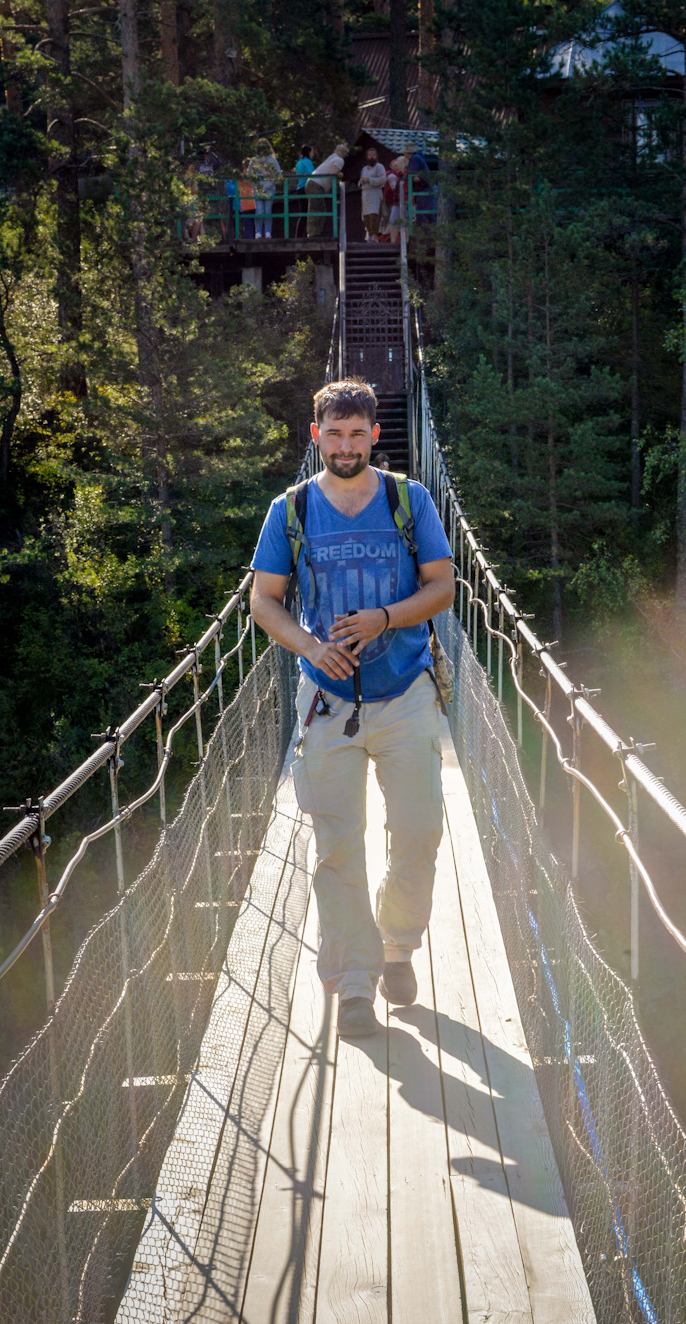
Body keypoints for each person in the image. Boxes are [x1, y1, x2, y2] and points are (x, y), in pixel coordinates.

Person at [250, 377, 455, 1038]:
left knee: (419, 831)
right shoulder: (291, 511)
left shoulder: (408, 499)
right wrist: (310, 647)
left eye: (356, 434)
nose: (345, 446)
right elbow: (264, 601)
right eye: (333, 435)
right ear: (316, 438)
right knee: (338, 848)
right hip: (327, 701)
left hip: (405, 693)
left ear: (374, 435)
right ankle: (355, 983)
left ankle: (398, 944)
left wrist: (385, 618)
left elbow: (444, 587)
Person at [305, 142, 349, 236]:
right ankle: (313, 234)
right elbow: (332, 173)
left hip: (311, 182)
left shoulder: (331, 157)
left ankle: (315, 232)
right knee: (317, 209)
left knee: (319, 208)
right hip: (317, 185)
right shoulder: (339, 160)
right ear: (343, 153)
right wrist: (339, 175)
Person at [246, 138, 281, 239]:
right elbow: (250, 175)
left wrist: (268, 184)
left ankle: (268, 232)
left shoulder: (273, 161)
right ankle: (258, 232)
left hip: (269, 189)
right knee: (259, 211)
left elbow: (278, 175)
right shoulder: (254, 161)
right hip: (258, 190)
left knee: (267, 210)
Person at [359, 146, 386, 242]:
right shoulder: (364, 169)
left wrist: (370, 180)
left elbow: (383, 180)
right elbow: (360, 181)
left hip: (375, 193)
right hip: (365, 194)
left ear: (376, 156)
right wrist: (361, 181)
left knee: (374, 215)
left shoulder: (379, 167)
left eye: (373, 155)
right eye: (370, 155)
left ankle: (375, 235)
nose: (371, 157)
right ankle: (369, 235)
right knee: (366, 216)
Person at [294, 143, 315, 237]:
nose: (313, 154)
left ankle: (299, 235)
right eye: (312, 152)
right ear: (309, 152)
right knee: (308, 213)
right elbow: (313, 174)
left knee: (303, 213)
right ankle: (308, 233)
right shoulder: (307, 161)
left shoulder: (299, 162)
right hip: (306, 188)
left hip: (300, 188)